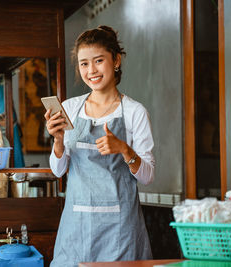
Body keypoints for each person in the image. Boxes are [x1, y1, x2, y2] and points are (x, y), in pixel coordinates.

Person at [44, 25, 154, 266]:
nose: (91, 70)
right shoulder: (70, 108)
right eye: (84, 64)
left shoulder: (135, 112)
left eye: (98, 61)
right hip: (76, 228)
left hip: (120, 232)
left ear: (115, 60)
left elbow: (147, 176)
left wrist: (124, 149)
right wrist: (59, 141)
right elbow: (58, 170)